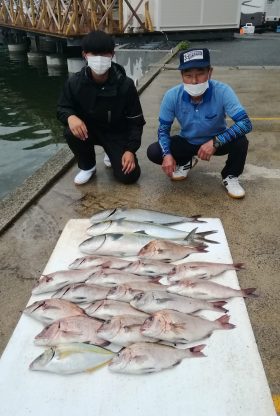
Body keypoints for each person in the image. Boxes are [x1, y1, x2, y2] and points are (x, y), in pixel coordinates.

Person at [147, 47, 252, 199]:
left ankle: (230, 175)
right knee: (155, 151)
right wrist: (167, 155)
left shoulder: (223, 91)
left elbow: (246, 123)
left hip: (216, 142)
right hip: (188, 141)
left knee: (241, 141)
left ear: (210, 72)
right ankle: (186, 161)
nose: (194, 81)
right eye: (188, 75)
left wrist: (216, 142)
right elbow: (163, 130)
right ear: (181, 75)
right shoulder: (171, 96)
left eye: (200, 74)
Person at [57, 30, 145, 185]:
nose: (99, 59)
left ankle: (110, 152)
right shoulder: (74, 83)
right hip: (89, 130)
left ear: (112, 54)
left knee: (129, 177)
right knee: (71, 131)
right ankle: (88, 167)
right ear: (85, 55)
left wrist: (130, 150)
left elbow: (135, 121)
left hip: (116, 133)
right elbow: (63, 107)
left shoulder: (126, 84)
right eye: (93, 54)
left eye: (104, 54)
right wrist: (71, 117)